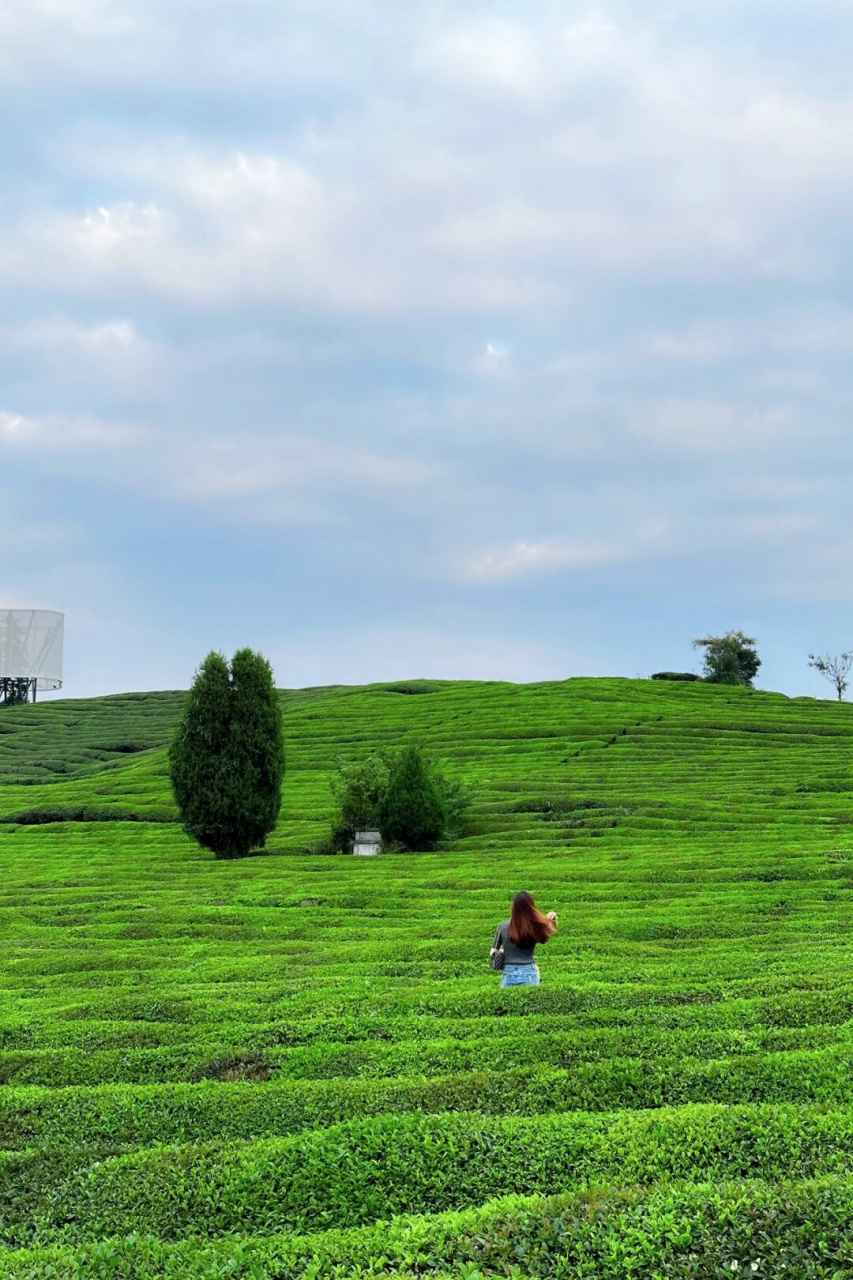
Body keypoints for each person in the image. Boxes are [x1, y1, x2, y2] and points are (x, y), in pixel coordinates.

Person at [490, 891, 557, 987]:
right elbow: (551, 930)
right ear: (531, 907)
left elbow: (493, 952)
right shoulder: (534, 926)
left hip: (508, 972)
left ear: (514, 908)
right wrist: (553, 919)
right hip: (529, 971)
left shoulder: (503, 926)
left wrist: (505, 950)